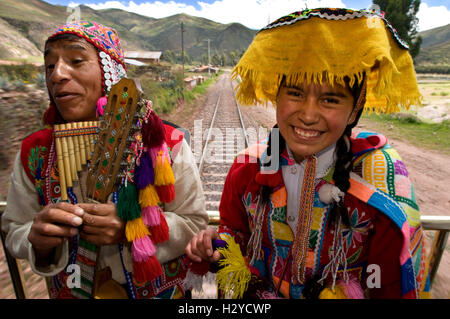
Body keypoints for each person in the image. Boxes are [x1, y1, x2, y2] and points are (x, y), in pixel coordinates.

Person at [185, 8, 430, 299]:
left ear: (354, 109)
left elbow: (392, 284)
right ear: (277, 96)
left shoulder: (383, 180)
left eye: (330, 99)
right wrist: (218, 242)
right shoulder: (247, 168)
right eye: (296, 94)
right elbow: (237, 234)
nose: (308, 115)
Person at [1, 21, 208, 299]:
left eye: (75, 60)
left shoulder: (164, 143)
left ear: (108, 72)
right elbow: (14, 228)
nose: (57, 75)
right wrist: (36, 241)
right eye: (50, 66)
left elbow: (194, 222)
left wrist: (133, 229)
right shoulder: (34, 152)